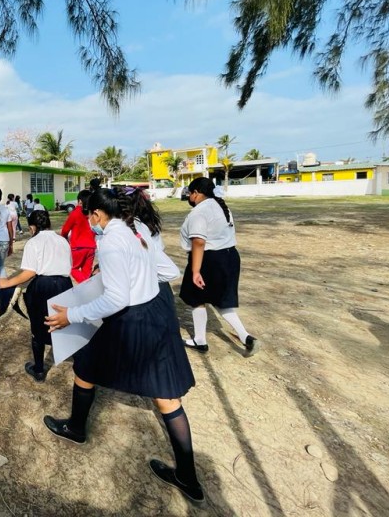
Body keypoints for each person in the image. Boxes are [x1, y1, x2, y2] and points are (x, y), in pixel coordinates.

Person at [43, 188, 203, 503]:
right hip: (155, 312)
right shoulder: (138, 228)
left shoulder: (112, 243)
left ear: (97, 214)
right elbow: (166, 270)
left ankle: (76, 428)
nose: (90, 223)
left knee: (85, 367)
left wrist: (71, 315)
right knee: (167, 397)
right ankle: (188, 477)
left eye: (90, 216)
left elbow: (116, 299)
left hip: (130, 319)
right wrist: (139, 279)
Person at [179, 177, 258, 356]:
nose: (189, 197)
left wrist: (196, 270)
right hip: (229, 256)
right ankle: (245, 336)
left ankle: (201, 339)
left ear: (196, 193)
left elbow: (199, 241)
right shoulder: (222, 206)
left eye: (190, 194)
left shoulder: (200, 212)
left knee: (197, 298)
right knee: (220, 300)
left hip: (209, 258)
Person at [0, 210, 72, 382]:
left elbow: (29, 273)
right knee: (62, 322)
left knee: (38, 327)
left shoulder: (34, 242)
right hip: (64, 285)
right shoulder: (62, 240)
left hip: (43, 287)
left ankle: (39, 369)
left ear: (32, 227)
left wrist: (7, 283)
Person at [60, 189, 96, 283]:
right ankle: (88, 289)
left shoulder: (75, 213)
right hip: (91, 247)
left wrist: (65, 239)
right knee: (86, 274)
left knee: (72, 268)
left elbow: (65, 230)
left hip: (77, 248)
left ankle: (87, 286)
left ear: (80, 201)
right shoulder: (93, 213)